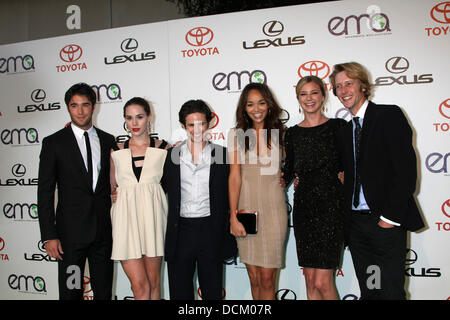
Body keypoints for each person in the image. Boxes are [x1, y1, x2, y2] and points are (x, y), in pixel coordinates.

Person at [330, 62, 425, 300]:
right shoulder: (344, 131)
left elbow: (405, 172)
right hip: (357, 227)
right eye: (338, 86)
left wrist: (389, 219)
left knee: (390, 292)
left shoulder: (388, 115)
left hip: (384, 223)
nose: (343, 91)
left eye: (348, 83)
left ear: (362, 85)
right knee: (371, 290)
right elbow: (347, 173)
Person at [37, 82, 117, 300]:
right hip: (70, 238)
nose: (80, 111)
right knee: (71, 292)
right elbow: (44, 192)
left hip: (102, 234)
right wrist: (49, 235)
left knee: (103, 293)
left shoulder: (108, 140)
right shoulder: (53, 143)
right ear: (67, 107)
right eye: (74, 105)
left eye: (85, 105)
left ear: (93, 107)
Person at [161, 99, 237, 300]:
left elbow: (233, 188)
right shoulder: (171, 156)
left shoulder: (222, 155)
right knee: (180, 293)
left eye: (201, 123)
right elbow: (157, 189)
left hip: (211, 230)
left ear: (210, 123)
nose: (197, 129)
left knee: (212, 293)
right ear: (183, 126)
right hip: (180, 232)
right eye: (191, 125)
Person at [283, 76, 346, 300]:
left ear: (323, 95)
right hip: (304, 209)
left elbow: (353, 163)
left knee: (323, 281)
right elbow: (287, 171)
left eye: (314, 93)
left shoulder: (338, 127)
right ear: (298, 98)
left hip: (331, 208)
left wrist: (347, 177)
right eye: (303, 94)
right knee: (310, 280)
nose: (309, 98)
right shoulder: (291, 133)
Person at [228, 83, 288, 300]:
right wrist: (233, 216)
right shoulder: (236, 134)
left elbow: (294, 168)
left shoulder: (282, 133)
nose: (256, 108)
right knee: (253, 278)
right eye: (250, 104)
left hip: (274, 211)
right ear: (244, 108)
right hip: (246, 210)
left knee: (267, 279)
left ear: (269, 104)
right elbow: (234, 177)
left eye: (261, 102)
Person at [110, 97, 170, 300]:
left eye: (139, 117)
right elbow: (111, 187)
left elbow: (172, 184)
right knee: (138, 286)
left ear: (149, 117)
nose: (134, 123)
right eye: (129, 118)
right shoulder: (116, 150)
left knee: (154, 284)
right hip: (125, 221)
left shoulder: (164, 149)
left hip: (152, 219)